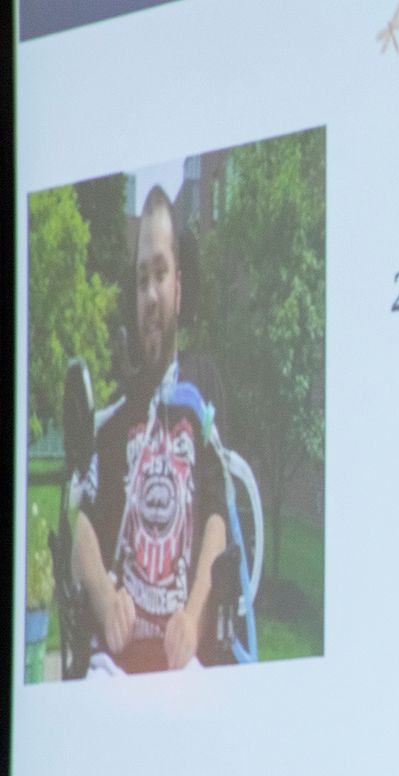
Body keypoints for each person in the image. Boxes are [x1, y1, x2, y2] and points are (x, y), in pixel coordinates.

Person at [71, 184, 226, 673]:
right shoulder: (116, 411)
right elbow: (80, 521)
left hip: (185, 665)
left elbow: (218, 517)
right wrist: (102, 593)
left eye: (160, 274)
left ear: (179, 285)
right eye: (141, 281)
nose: (151, 295)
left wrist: (194, 615)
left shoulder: (202, 386)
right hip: (115, 668)